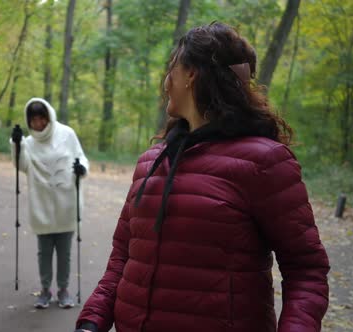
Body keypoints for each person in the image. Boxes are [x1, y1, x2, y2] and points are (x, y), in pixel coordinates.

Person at [75, 22, 329, 332]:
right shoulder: (151, 163)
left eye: (172, 69)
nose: (167, 81)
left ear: (191, 73)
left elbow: (306, 269)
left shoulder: (264, 161)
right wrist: (91, 320)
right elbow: (123, 259)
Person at [10, 97, 89, 309]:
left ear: (48, 117)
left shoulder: (67, 134)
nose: (38, 124)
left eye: (41, 118)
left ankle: (63, 290)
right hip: (42, 207)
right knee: (44, 253)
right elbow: (22, 166)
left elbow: (80, 157)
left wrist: (81, 169)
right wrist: (17, 144)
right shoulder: (29, 143)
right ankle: (45, 290)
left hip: (66, 205)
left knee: (64, 253)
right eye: (33, 120)